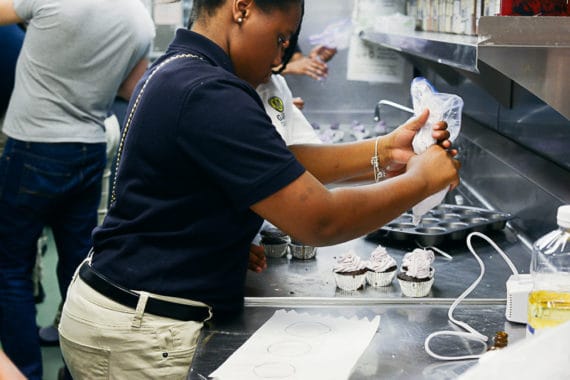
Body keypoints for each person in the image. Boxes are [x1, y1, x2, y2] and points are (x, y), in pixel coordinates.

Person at [58, 0, 460, 378]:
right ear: (242, 7)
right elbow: (320, 220)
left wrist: (386, 150)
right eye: (281, 39)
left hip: (125, 307)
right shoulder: (208, 91)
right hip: (140, 330)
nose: (278, 60)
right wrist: (421, 180)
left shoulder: (183, 68)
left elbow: (278, 166)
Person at [0, 0, 155, 378]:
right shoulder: (141, 19)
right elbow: (131, 87)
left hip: (33, 144)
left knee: (11, 268)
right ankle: (76, 370)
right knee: (78, 270)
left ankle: (25, 372)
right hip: (89, 147)